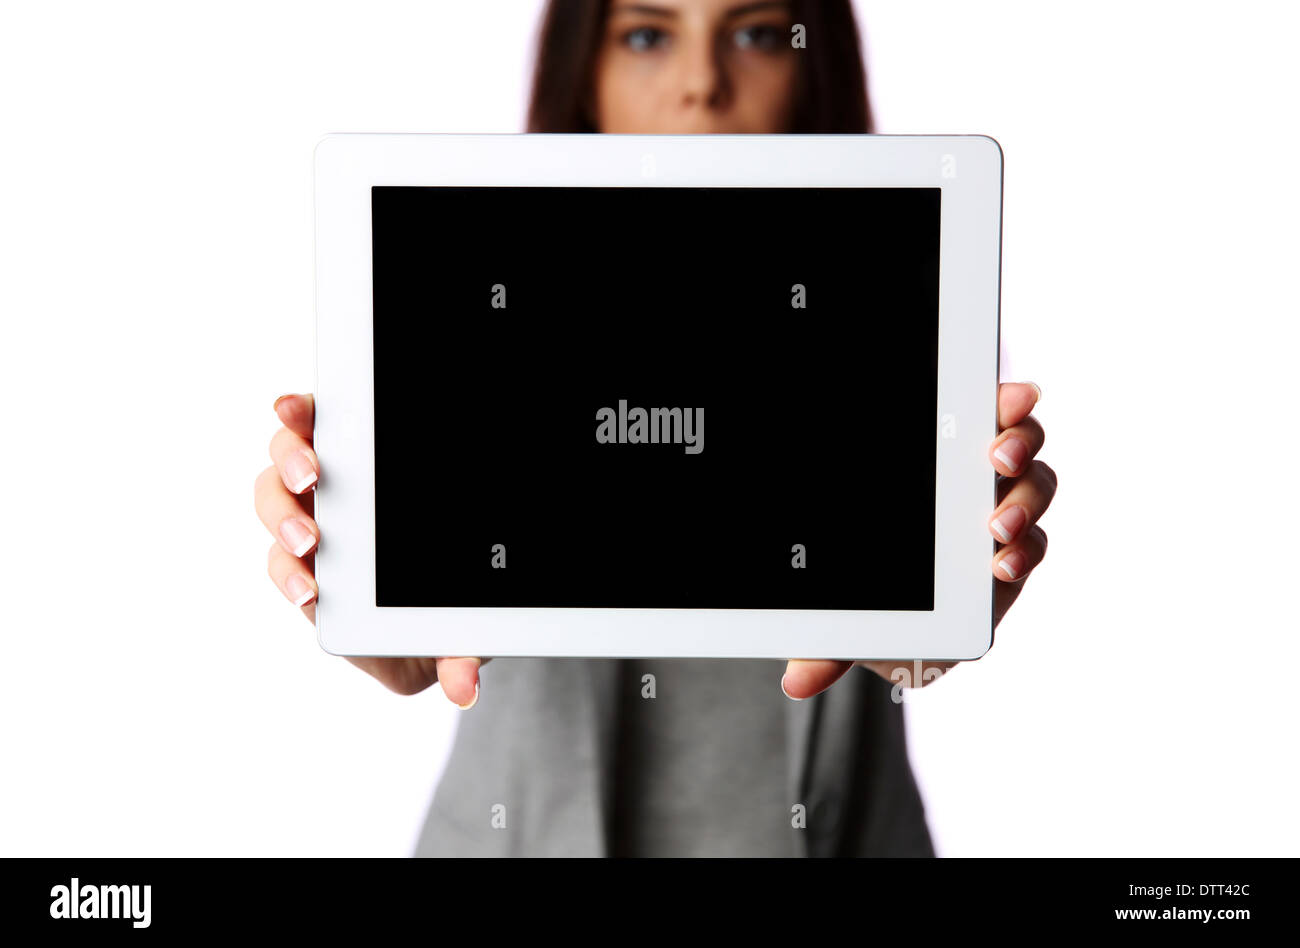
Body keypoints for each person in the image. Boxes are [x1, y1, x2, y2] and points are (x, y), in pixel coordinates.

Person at [253, 0, 1056, 856]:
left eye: (755, 33)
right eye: (646, 34)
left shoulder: (898, 321)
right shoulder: (478, 314)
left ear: (811, 64)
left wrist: (928, 637)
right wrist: (396, 632)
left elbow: (911, 662)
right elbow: (420, 652)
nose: (700, 84)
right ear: (584, 75)